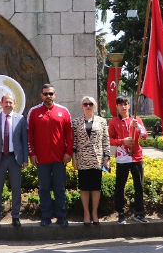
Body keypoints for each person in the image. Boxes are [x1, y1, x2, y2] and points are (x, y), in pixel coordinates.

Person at [28, 84, 73, 226]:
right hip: (42, 159)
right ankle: (46, 217)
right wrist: (32, 153)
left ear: (55, 95)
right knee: (44, 189)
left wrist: (68, 152)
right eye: (46, 94)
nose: (48, 96)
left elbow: (69, 135)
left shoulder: (63, 111)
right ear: (41, 96)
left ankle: (61, 217)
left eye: (51, 93)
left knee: (60, 189)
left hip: (60, 158)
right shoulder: (34, 112)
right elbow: (29, 135)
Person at [0, 93, 28, 228]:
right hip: (0, 159)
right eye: (6, 102)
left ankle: (16, 217)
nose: (8, 104)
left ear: (14, 104)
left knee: (16, 189)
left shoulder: (21, 119)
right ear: (1, 103)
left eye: (10, 102)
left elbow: (24, 140)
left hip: (15, 159)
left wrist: (25, 159)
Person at [108, 96, 148, 224]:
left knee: (139, 186)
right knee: (120, 187)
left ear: (129, 105)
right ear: (117, 107)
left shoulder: (137, 119)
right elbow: (109, 140)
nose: (123, 107)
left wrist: (138, 127)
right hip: (122, 158)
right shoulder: (113, 122)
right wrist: (122, 141)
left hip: (136, 157)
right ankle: (120, 213)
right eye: (120, 104)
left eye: (125, 104)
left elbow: (145, 136)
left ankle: (139, 212)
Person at [71, 96, 108, 226]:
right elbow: (73, 142)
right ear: (82, 106)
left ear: (95, 106)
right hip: (82, 159)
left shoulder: (102, 122)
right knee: (84, 188)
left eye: (90, 104)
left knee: (96, 188)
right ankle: (86, 213)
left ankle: (94, 213)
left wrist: (106, 158)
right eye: (85, 104)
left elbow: (105, 141)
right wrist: (74, 159)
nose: (88, 106)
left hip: (97, 159)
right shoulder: (75, 122)